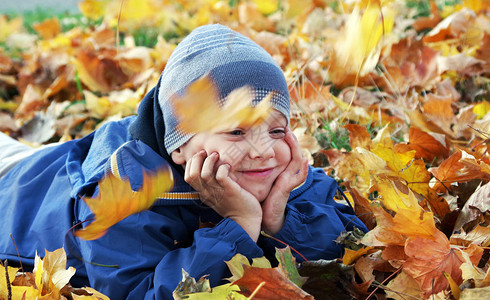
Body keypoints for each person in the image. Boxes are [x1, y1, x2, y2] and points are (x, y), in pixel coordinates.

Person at [0, 24, 367, 299]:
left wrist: (278, 220)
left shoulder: (280, 171)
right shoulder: (123, 194)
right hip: (18, 182)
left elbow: (347, 244)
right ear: (179, 147)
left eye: (275, 130)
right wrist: (240, 225)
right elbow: (139, 293)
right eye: (236, 133)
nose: (262, 151)